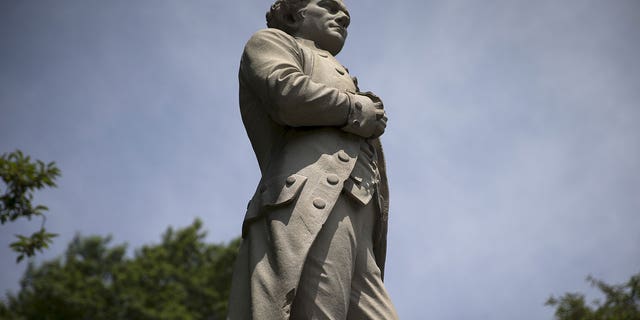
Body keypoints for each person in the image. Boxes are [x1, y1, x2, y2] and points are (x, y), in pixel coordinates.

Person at [228, 0, 397, 318]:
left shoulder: (338, 70)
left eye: (345, 13)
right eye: (329, 6)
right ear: (294, 14)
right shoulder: (271, 42)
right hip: (309, 203)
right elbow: (286, 92)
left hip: (358, 221)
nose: (343, 16)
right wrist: (356, 108)